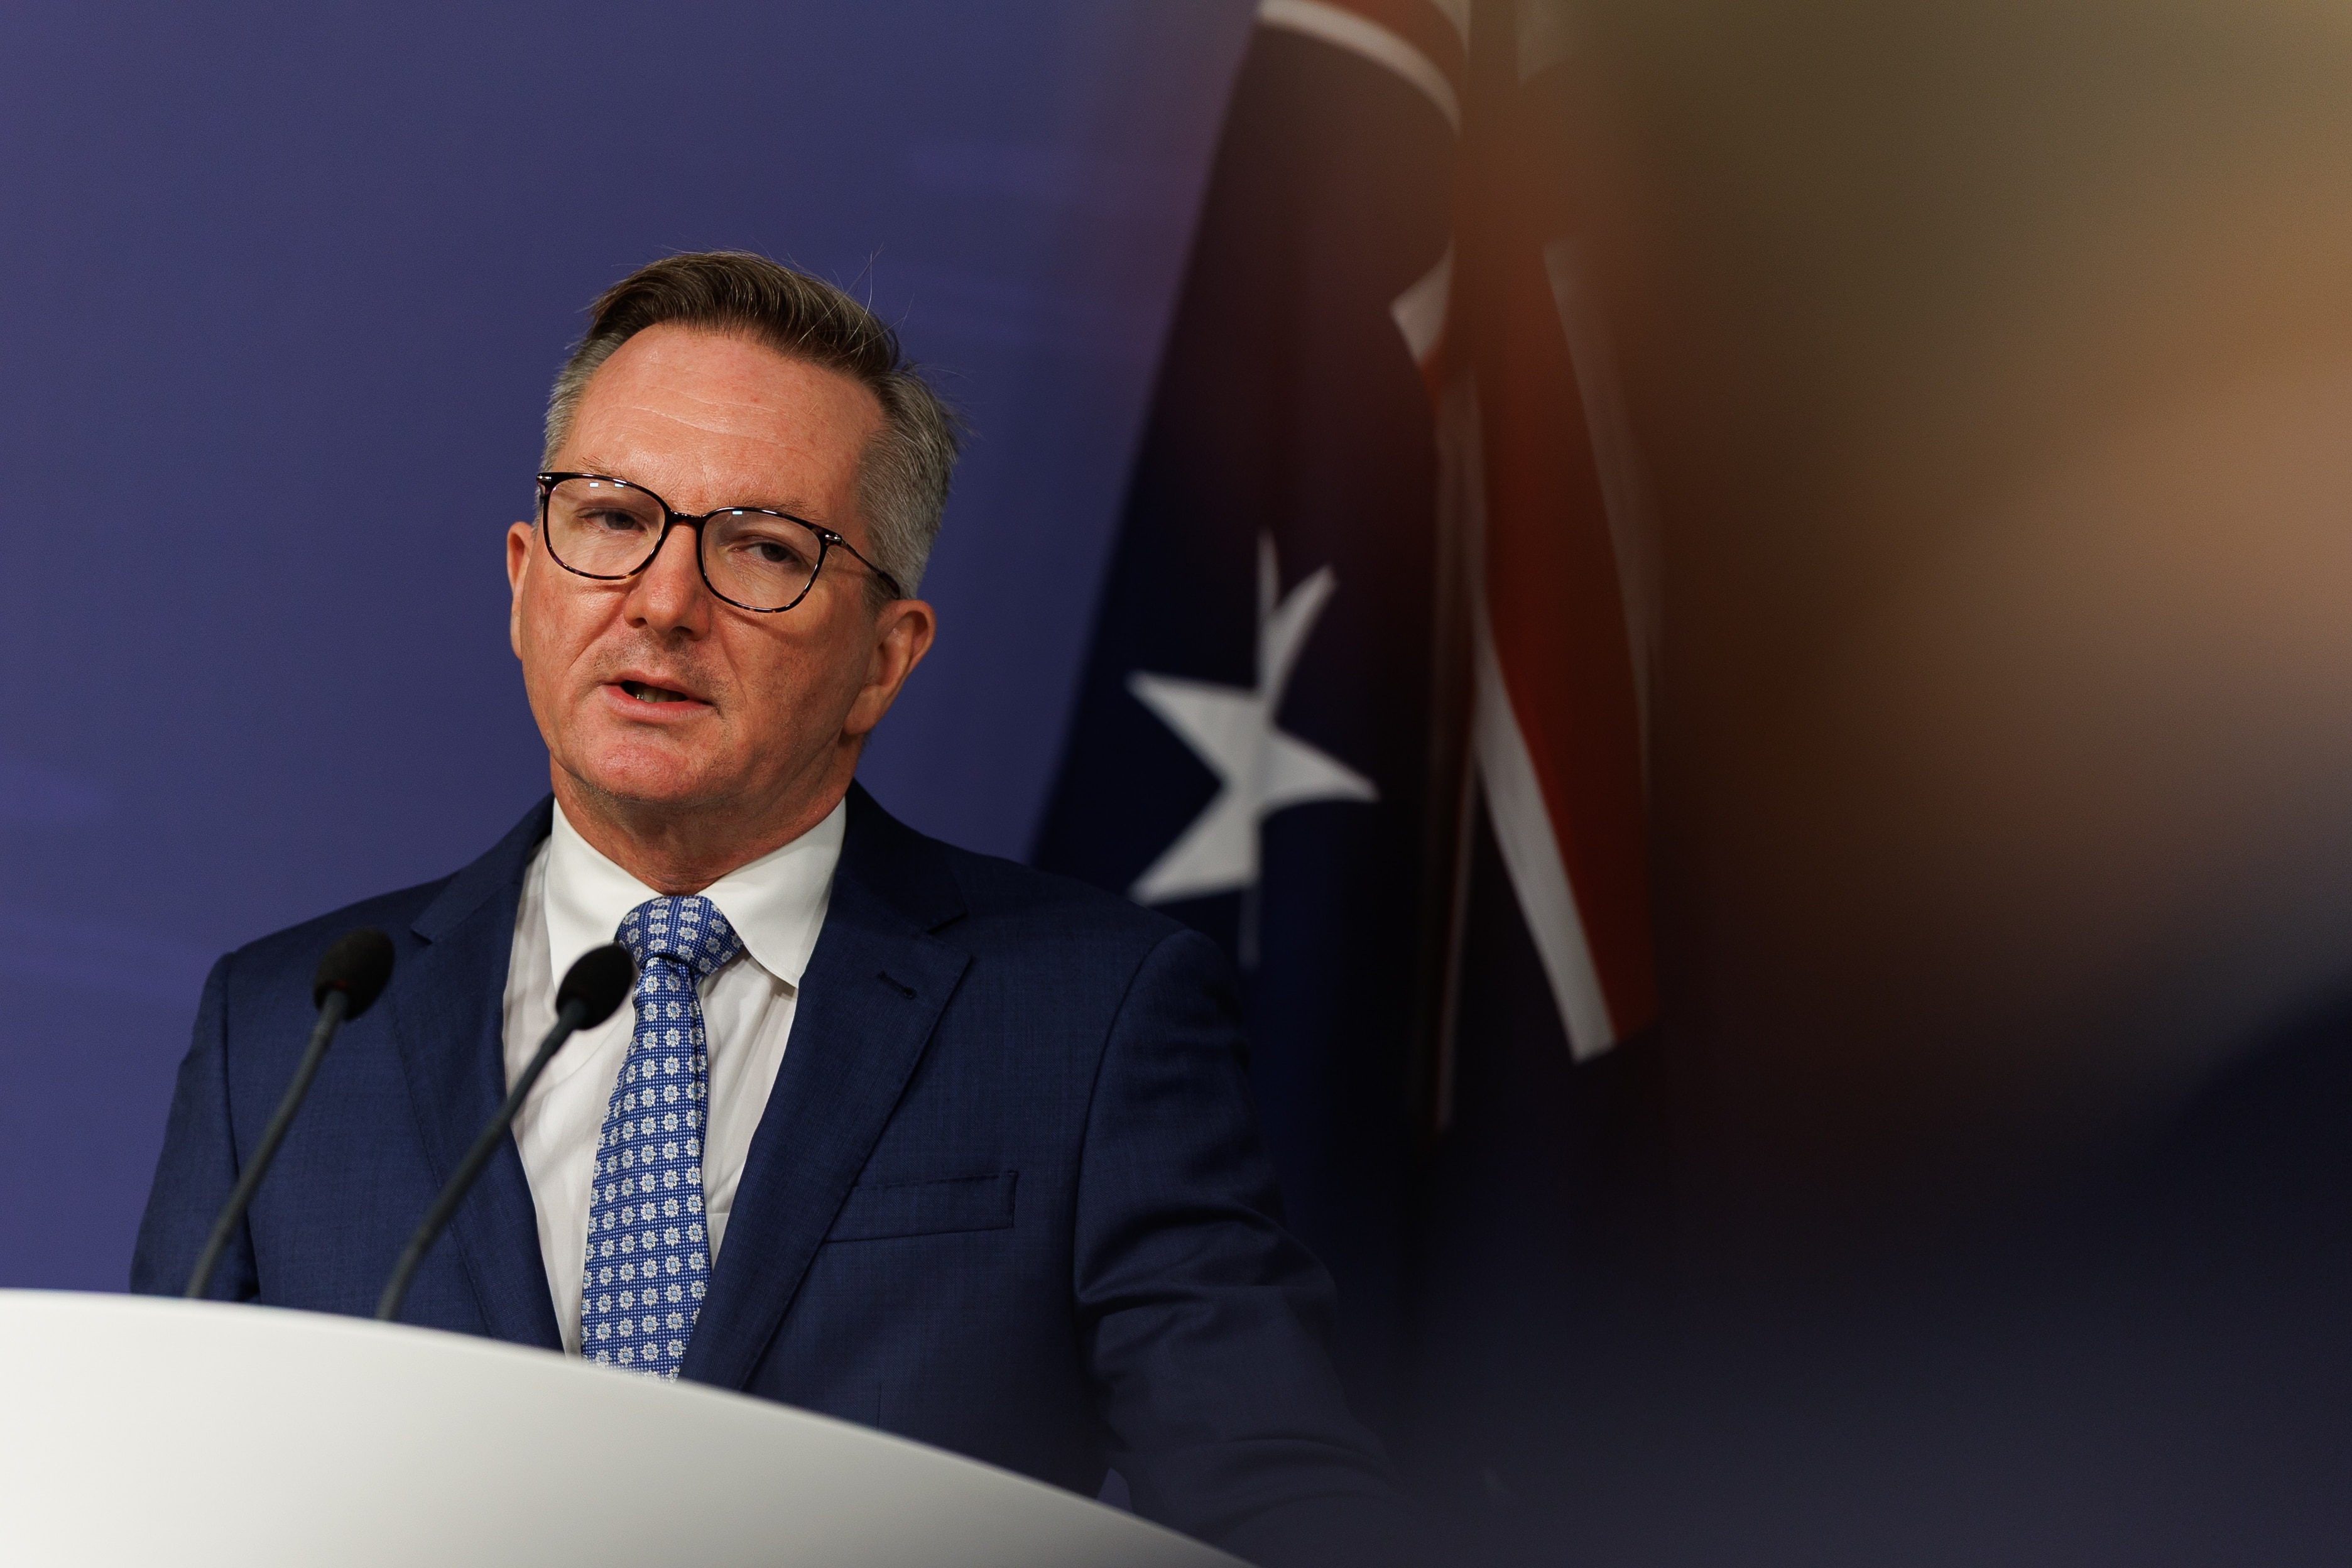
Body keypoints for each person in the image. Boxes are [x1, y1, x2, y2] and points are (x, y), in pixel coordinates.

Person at [131, 251, 1408, 1565]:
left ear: (884, 659)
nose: (664, 603)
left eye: (762, 550)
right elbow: (152, 1498)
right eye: (614, 518)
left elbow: (1280, 1497)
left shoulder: (1087, 1019)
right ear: (525, 581)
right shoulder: (295, 1028)